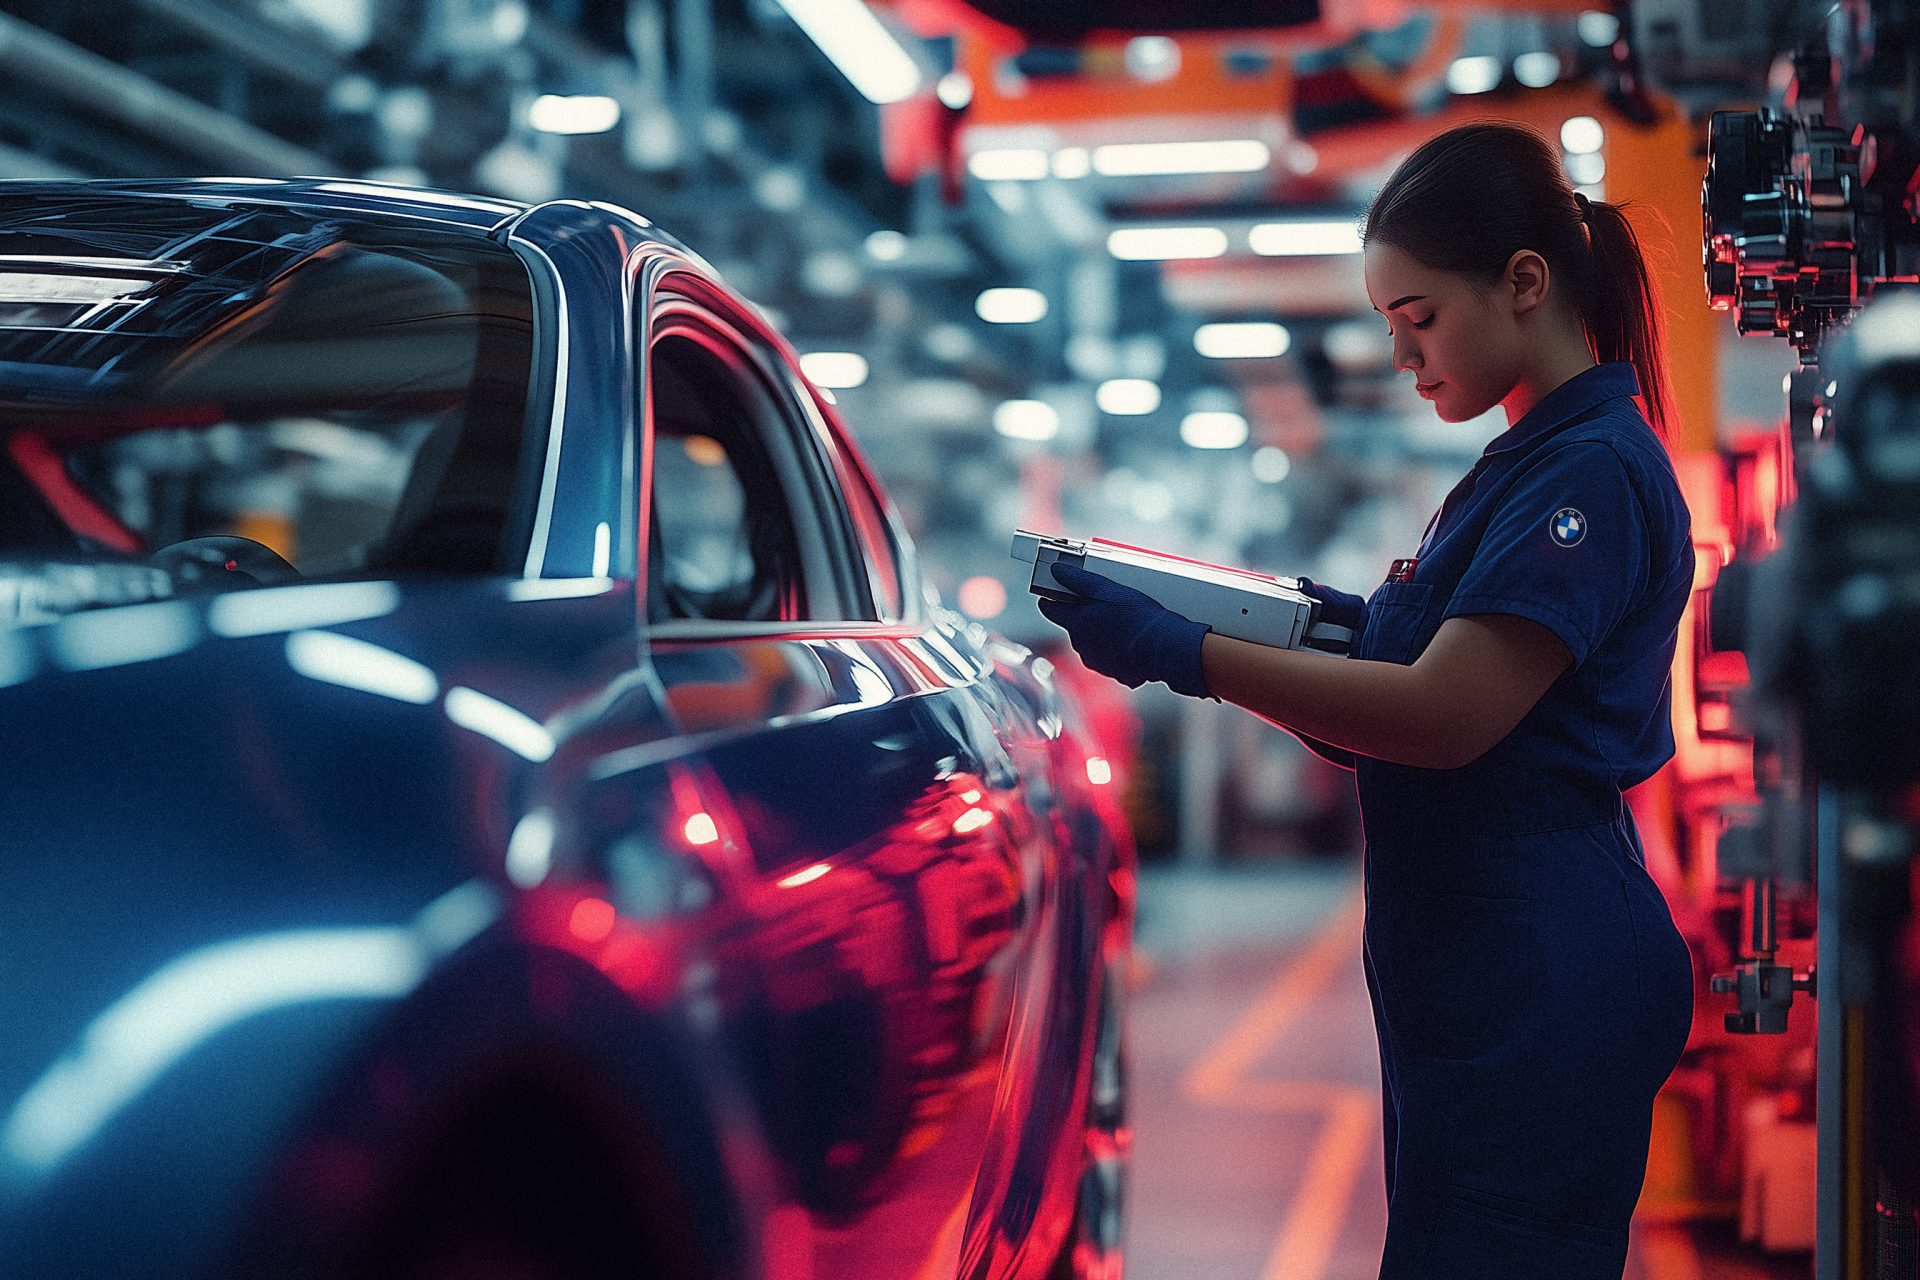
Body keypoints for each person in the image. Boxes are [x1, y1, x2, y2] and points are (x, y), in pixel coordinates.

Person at [1038, 120, 1696, 1280]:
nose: (1402, 355)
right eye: (1391, 327)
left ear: (1524, 282)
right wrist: (1279, 629)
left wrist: (1191, 652)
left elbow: (1443, 716)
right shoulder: (1524, 462)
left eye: (1420, 318)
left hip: (1537, 966)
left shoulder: (1586, 470)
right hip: (1491, 963)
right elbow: (1400, 693)